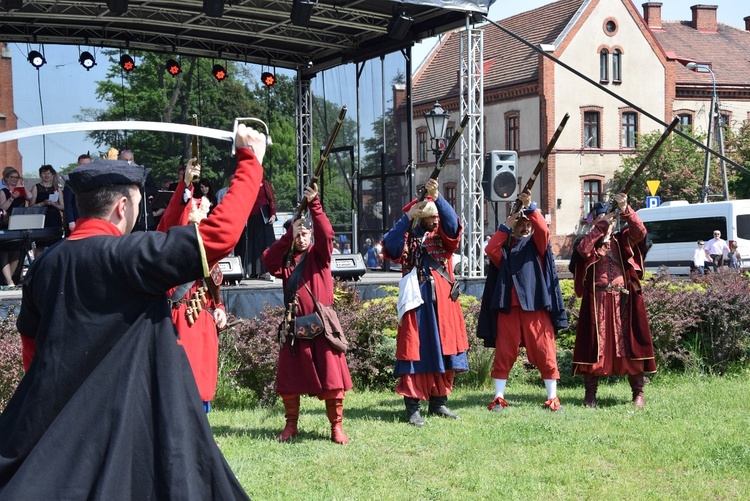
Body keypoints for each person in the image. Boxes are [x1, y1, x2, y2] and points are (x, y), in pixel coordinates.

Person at [0, 124, 266, 499]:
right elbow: (219, 236)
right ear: (122, 206)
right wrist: (250, 162)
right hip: (132, 425)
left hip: (63, 431)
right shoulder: (130, 255)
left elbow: (32, 350)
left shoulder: (45, 265)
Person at [262, 183, 353, 444]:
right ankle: (291, 425)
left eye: (305, 233)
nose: (303, 237)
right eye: (298, 233)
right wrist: (287, 236)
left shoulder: (319, 254)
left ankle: (336, 427)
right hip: (295, 327)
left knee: (333, 380)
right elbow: (268, 261)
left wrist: (315, 205)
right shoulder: (285, 259)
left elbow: (326, 234)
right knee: (289, 382)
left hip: (322, 325)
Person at [382, 178, 469, 426]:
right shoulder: (407, 235)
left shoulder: (443, 237)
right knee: (415, 352)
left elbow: (453, 226)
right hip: (416, 301)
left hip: (443, 302)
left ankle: (439, 403)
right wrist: (408, 216)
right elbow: (390, 246)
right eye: (430, 217)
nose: (435, 221)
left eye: (436, 216)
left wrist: (438, 197)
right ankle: (413, 408)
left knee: (443, 350)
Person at [477, 190, 567, 413]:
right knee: (504, 353)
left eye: (528, 224)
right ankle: (498, 397)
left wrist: (531, 208)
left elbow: (544, 231)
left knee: (545, 351)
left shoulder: (538, 246)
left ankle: (552, 398)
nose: (526, 228)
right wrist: (506, 226)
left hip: (536, 306)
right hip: (509, 309)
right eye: (521, 224)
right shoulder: (504, 249)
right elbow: (490, 249)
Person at [571, 195, 657, 408]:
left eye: (610, 219)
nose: (608, 223)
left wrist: (624, 208)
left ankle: (638, 393)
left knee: (630, 345)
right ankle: (590, 395)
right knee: (595, 347)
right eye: (602, 218)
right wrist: (601, 226)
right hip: (597, 301)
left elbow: (641, 232)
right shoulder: (589, 241)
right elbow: (583, 250)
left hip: (623, 301)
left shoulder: (623, 240)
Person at [157, 164, 226, 413]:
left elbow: (214, 287)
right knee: (178, 385)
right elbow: (170, 220)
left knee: (202, 384)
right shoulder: (169, 249)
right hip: (178, 321)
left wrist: (219, 308)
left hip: (203, 322)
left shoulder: (210, 254)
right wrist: (185, 185)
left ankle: (201, 436)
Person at [238, 176, 277, 279]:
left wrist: (273, 214)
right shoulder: (247, 185)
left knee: (265, 243)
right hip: (251, 217)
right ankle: (254, 271)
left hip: (264, 217)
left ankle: (266, 270)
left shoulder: (264, 183)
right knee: (253, 245)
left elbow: (271, 199)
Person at [0, 167, 33, 286]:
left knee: (16, 252)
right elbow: (2, 207)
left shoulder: (21, 190)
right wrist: (12, 198)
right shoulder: (3, 191)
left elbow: (30, 197)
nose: (14, 180)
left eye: (16, 177)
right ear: (6, 178)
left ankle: (9, 278)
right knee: (4, 252)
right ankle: (9, 281)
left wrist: (22, 185)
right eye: (12, 177)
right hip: (7, 223)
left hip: (19, 223)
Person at [30, 164, 65, 254]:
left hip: (54, 219)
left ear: (52, 175)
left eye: (48, 173)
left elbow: (62, 207)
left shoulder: (57, 188)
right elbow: (31, 206)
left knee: (55, 246)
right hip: (41, 220)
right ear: (40, 175)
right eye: (44, 173)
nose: (46, 175)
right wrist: (42, 203)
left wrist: (54, 204)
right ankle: (38, 267)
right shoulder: (36, 187)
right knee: (40, 246)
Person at [63, 153, 91, 235]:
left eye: (88, 164)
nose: (85, 167)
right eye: (83, 164)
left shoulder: (95, 180)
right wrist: (71, 221)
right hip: (77, 219)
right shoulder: (71, 180)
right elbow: (68, 203)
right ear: (78, 165)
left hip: (91, 219)